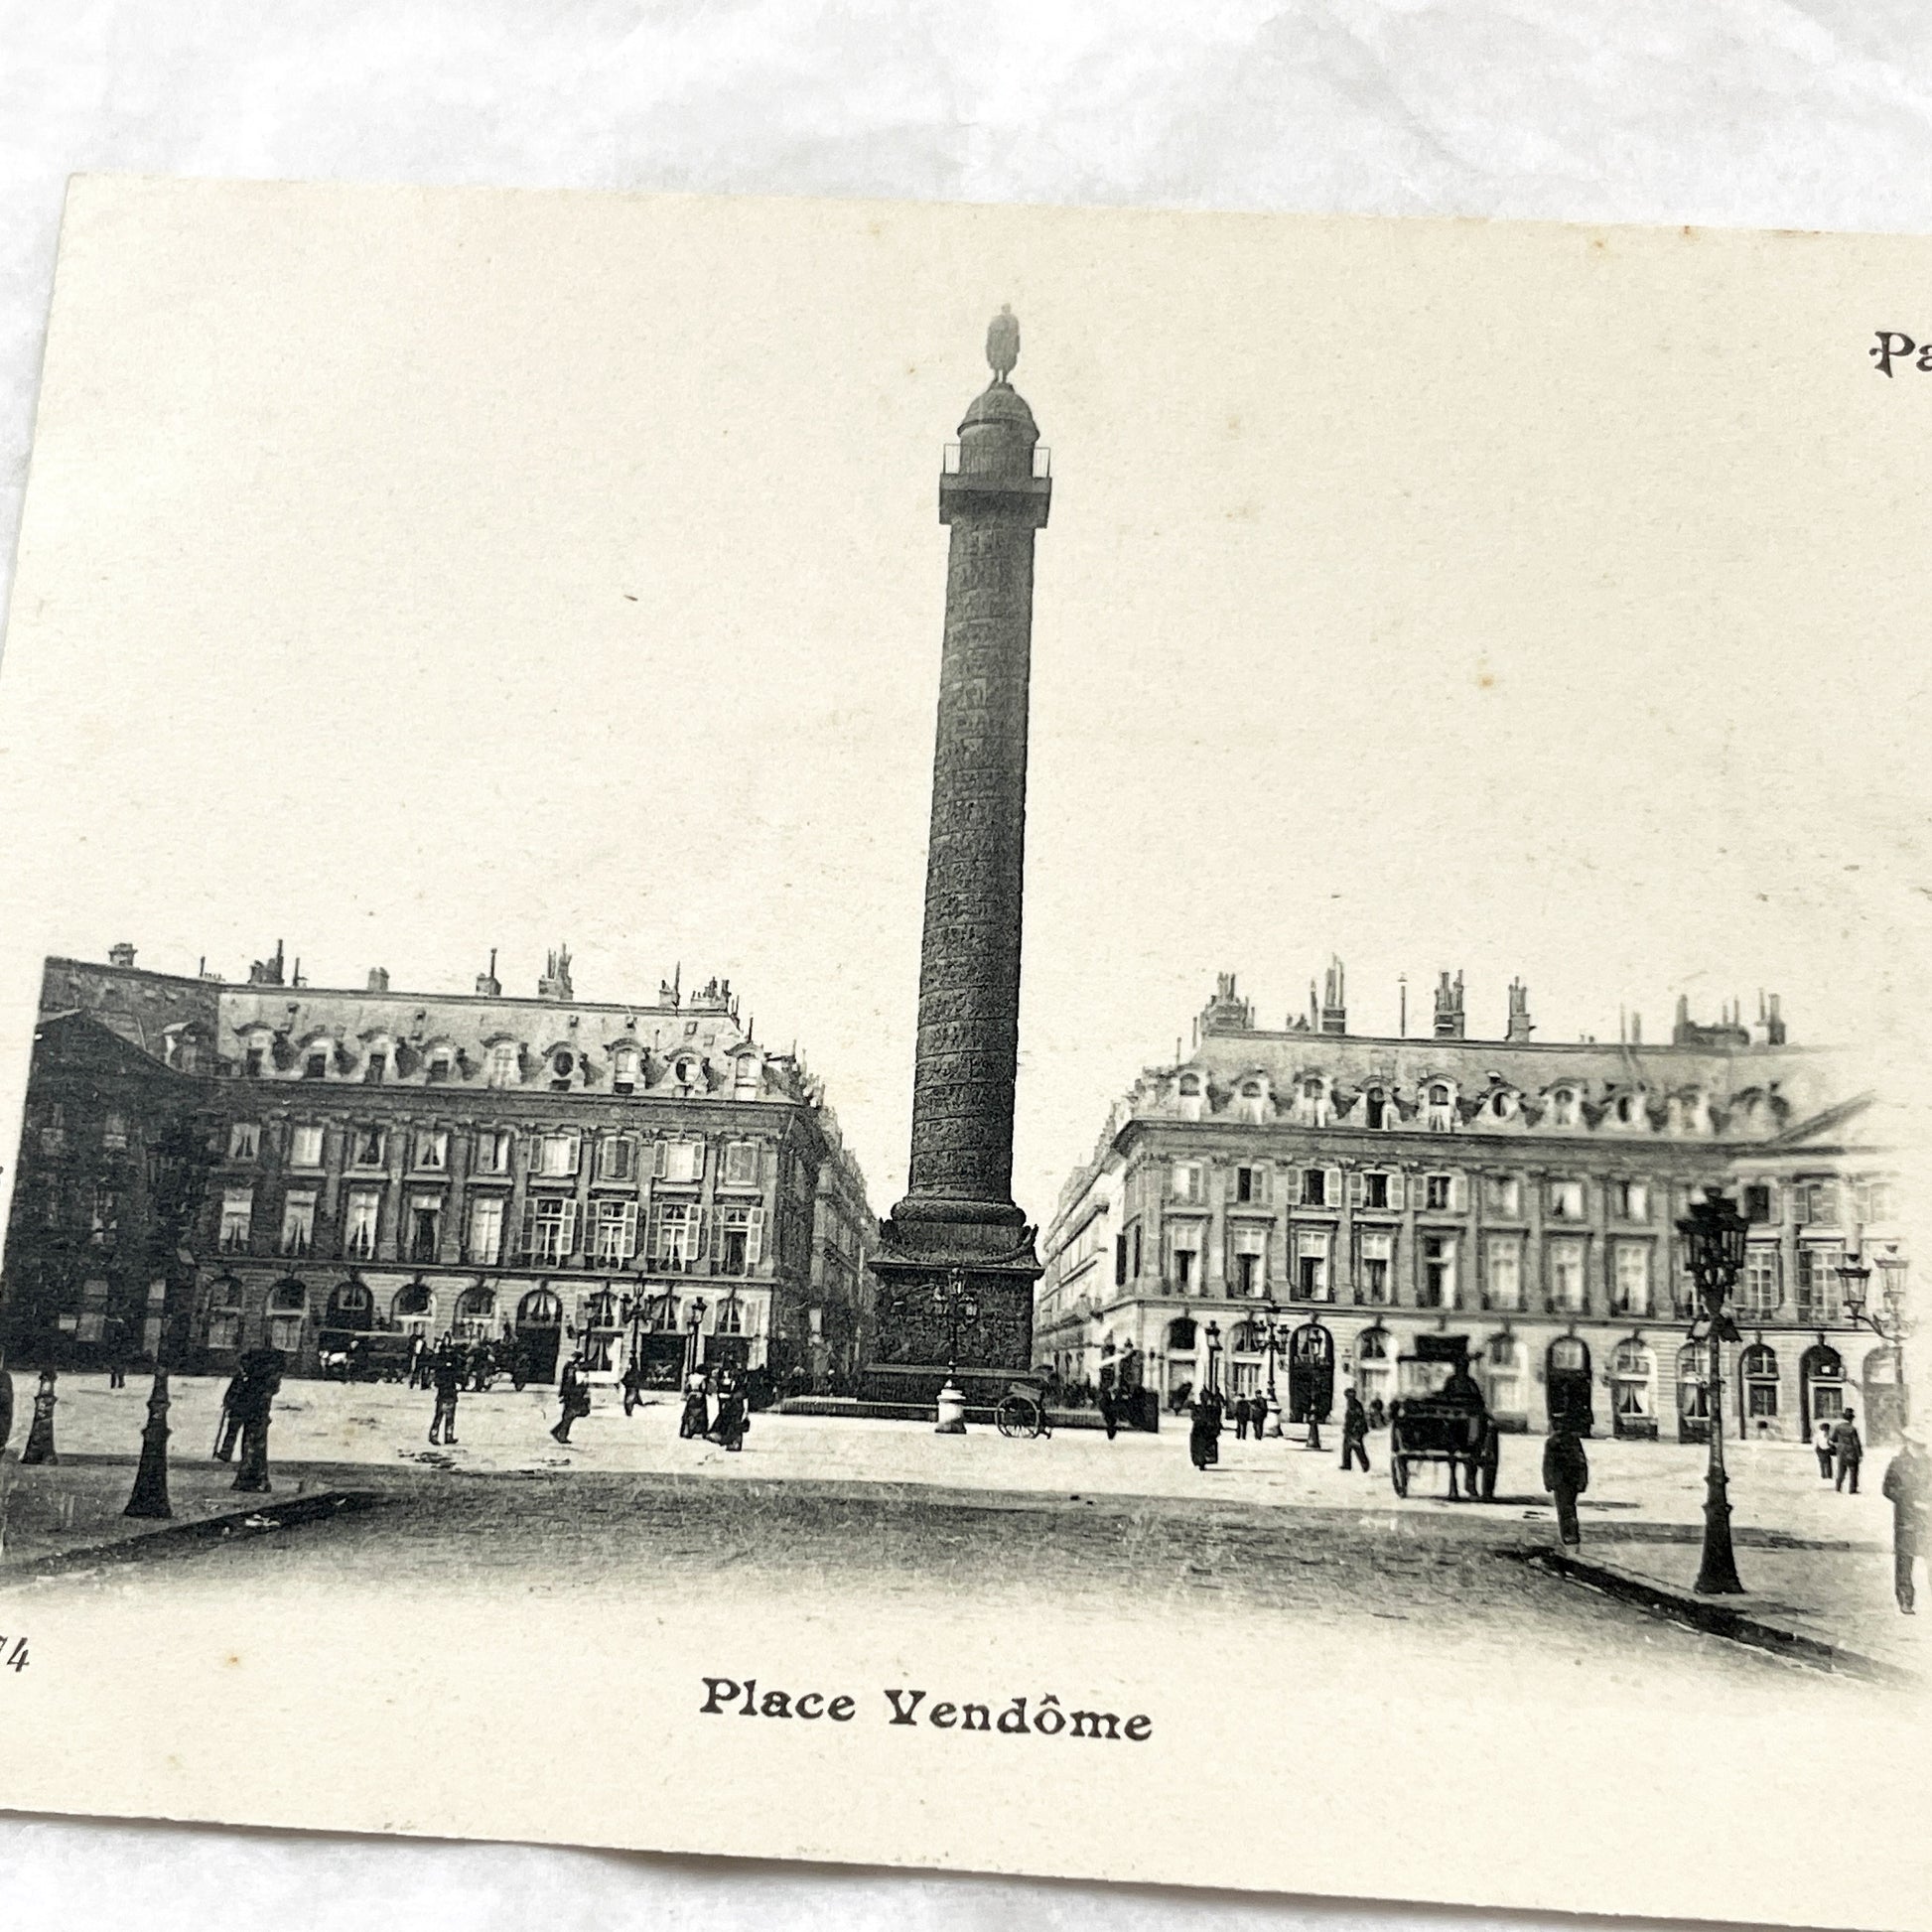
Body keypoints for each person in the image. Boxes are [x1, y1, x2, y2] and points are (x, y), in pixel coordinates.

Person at [1880, 1429, 1928, 1613]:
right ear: (1909, 1443)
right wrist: (1910, 1501)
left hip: (1928, 1519)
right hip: (1906, 1519)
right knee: (1905, 1561)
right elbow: (1888, 1489)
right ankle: (1905, 1600)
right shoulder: (1897, 1464)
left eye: (1923, 1446)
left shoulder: (1929, 1463)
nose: (1921, 1449)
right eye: (1918, 1445)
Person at [1543, 1422, 1590, 1549]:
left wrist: (1548, 1481)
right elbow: (1582, 1462)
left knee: (1564, 1509)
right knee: (1569, 1507)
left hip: (1561, 1481)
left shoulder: (1552, 1442)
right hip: (1570, 1480)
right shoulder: (1573, 1441)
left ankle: (1568, 1534)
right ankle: (1571, 1534)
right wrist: (1583, 1480)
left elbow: (1548, 1464)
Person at [429, 1339, 463, 1446]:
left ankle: (448, 1436)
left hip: (451, 1389)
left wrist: (458, 1382)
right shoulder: (439, 1360)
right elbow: (436, 1374)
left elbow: (458, 1373)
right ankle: (434, 1435)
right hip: (444, 1390)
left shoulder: (455, 1360)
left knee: (450, 1415)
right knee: (440, 1414)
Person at [552, 1357, 592, 1445]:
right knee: (569, 1415)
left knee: (569, 1415)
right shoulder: (572, 1370)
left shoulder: (571, 1369)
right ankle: (561, 1435)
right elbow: (569, 1383)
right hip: (573, 1396)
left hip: (573, 1395)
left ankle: (557, 1431)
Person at [711, 1371, 749, 1452]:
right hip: (735, 1410)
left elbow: (743, 1401)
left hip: (735, 1410)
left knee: (733, 1427)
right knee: (734, 1428)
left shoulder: (738, 1391)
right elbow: (745, 1401)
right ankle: (733, 1444)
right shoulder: (739, 1390)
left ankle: (732, 1444)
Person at [1188, 1386, 1224, 1471]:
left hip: (1203, 1429)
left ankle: (1201, 1462)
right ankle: (1201, 1462)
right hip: (1202, 1429)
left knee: (1201, 1447)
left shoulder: (1205, 1408)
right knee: (1201, 1447)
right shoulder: (1207, 1408)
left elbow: (1194, 1417)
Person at [1833, 1408, 1864, 1493]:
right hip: (1851, 1452)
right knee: (1853, 1471)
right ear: (1851, 1419)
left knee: (1841, 1470)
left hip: (1841, 1452)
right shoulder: (1852, 1429)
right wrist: (1860, 1454)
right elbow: (1856, 1443)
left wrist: (1838, 1446)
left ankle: (1838, 1487)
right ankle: (1852, 1489)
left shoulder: (1838, 1427)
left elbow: (1833, 1439)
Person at [1340, 1387, 1371, 1473]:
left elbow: (1359, 1418)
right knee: (1347, 1447)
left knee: (1357, 1447)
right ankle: (1346, 1464)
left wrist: (1355, 1429)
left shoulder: (1355, 1404)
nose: (1346, 1397)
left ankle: (1365, 1465)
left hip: (1356, 1430)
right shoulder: (1351, 1403)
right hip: (1350, 1429)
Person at [678, 1368, 710, 1441]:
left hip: (691, 1396)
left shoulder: (690, 1377)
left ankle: (687, 1430)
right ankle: (702, 1431)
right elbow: (704, 1388)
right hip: (699, 1396)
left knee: (689, 1413)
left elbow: (687, 1387)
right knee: (701, 1415)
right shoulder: (703, 1378)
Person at [1812, 1415, 1835, 1479]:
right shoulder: (1826, 1434)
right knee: (1827, 1462)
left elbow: (1815, 1442)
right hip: (1825, 1449)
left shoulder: (1818, 1434)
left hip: (1820, 1449)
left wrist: (1815, 1448)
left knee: (1822, 1462)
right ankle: (1828, 1475)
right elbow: (1829, 1442)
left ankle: (1823, 1475)